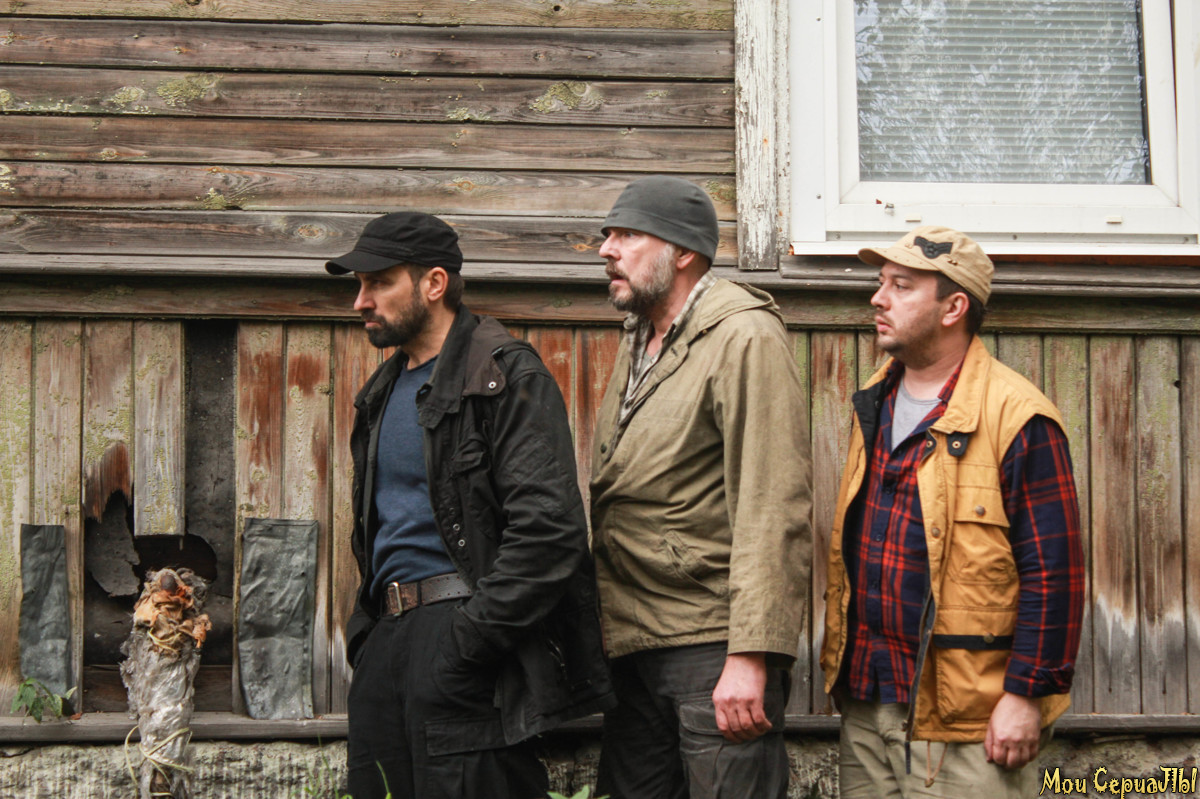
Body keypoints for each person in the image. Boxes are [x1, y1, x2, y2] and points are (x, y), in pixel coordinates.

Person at [329, 211, 614, 799]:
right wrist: (367, 637)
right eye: (358, 285)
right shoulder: (381, 392)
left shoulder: (504, 375)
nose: (361, 301)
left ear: (434, 283)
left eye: (379, 282)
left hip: (461, 639)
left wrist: (469, 642)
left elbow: (550, 534)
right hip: (386, 643)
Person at [821, 226, 1085, 797]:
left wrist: (1025, 696)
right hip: (868, 700)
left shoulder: (1019, 417)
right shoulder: (876, 398)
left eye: (901, 286)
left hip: (968, 721)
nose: (878, 298)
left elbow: (1054, 574)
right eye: (881, 282)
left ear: (953, 308)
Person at [588, 176, 813, 799]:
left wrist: (751, 655)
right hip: (636, 641)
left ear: (682, 251)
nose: (607, 249)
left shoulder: (743, 336)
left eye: (628, 235)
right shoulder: (640, 337)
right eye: (608, 234)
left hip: (712, 647)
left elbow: (773, 501)